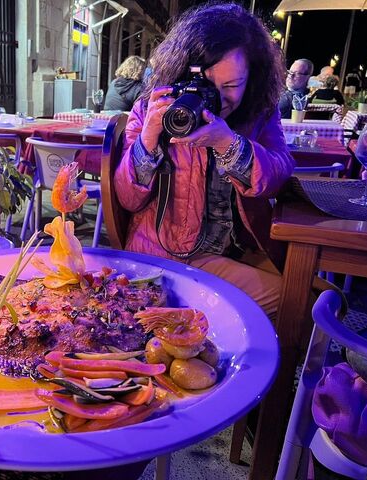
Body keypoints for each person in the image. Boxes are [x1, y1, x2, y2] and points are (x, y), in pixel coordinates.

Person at [114, 3, 294, 319]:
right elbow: (127, 199)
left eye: (232, 85)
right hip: (165, 255)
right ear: (185, 72)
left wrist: (228, 143)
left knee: (323, 297)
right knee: (299, 303)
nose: (220, 99)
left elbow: (278, 175)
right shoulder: (153, 108)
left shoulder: (260, 111)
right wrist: (149, 139)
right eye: (209, 85)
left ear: (253, 77)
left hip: (234, 249)